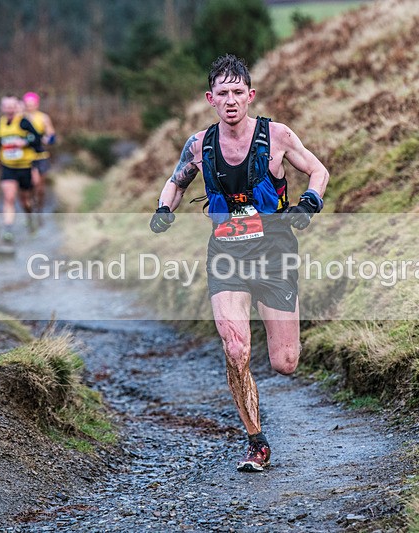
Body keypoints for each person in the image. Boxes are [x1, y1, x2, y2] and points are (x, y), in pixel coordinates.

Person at [150, 54, 329, 472]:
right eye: (222, 94)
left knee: (285, 363)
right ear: (210, 99)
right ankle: (257, 442)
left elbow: (318, 170)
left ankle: (275, 369)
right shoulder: (199, 145)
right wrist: (164, 208)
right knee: (236, 348)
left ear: (250, 96)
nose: (230, 101)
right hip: (227, 255)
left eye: (237, 93)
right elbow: (177, 182)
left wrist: (309, 201)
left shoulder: (278, 135)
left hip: (275, 253)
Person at [0, 95, 41, 242]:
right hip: (8, 166)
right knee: (8, 197)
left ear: (16, 107)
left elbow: (36, 138)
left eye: (12, 106)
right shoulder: (0, 123)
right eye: (6, 106)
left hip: (25, 166)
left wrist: (24, 141)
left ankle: (29, 217)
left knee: (25, 201)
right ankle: (8, 229)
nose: (9, 109)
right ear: (2, 108)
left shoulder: (24, 122)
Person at [22, 91, 56, 217]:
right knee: (32, 182)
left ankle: (40, 209)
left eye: (32, 104)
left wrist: (49, 139)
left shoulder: (43, 118)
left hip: (41, 156)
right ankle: (30, 204)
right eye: (27, 104)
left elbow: (52, 135)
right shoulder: (20, 118)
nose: (29, 106)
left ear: (37, 104)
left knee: (40, 187)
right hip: (26, 156)